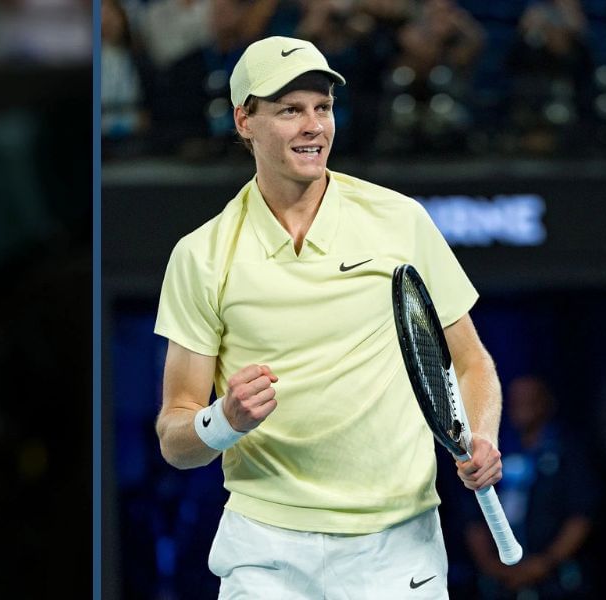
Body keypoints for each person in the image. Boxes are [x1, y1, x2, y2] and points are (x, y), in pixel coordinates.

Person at [153, 35, 505, 598]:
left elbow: (471, 364)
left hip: (397, 546)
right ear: (244, 120)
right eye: (290, 110)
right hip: (266, 548)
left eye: (323, 107)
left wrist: (481, 437)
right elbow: (175, 437)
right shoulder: (201, 256)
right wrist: (224, 419)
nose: (313, 126)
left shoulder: (401, 220)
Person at [464, 375, 601, 599]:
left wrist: (545, 563)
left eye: (530, 399)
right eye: (516, 400)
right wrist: (490, 565)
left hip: (557, 582)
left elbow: (583, 513)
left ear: (547, 402)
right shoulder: (491, 450)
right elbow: (472, 516)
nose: (522, 406)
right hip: (501, 584)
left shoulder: (569, 452)